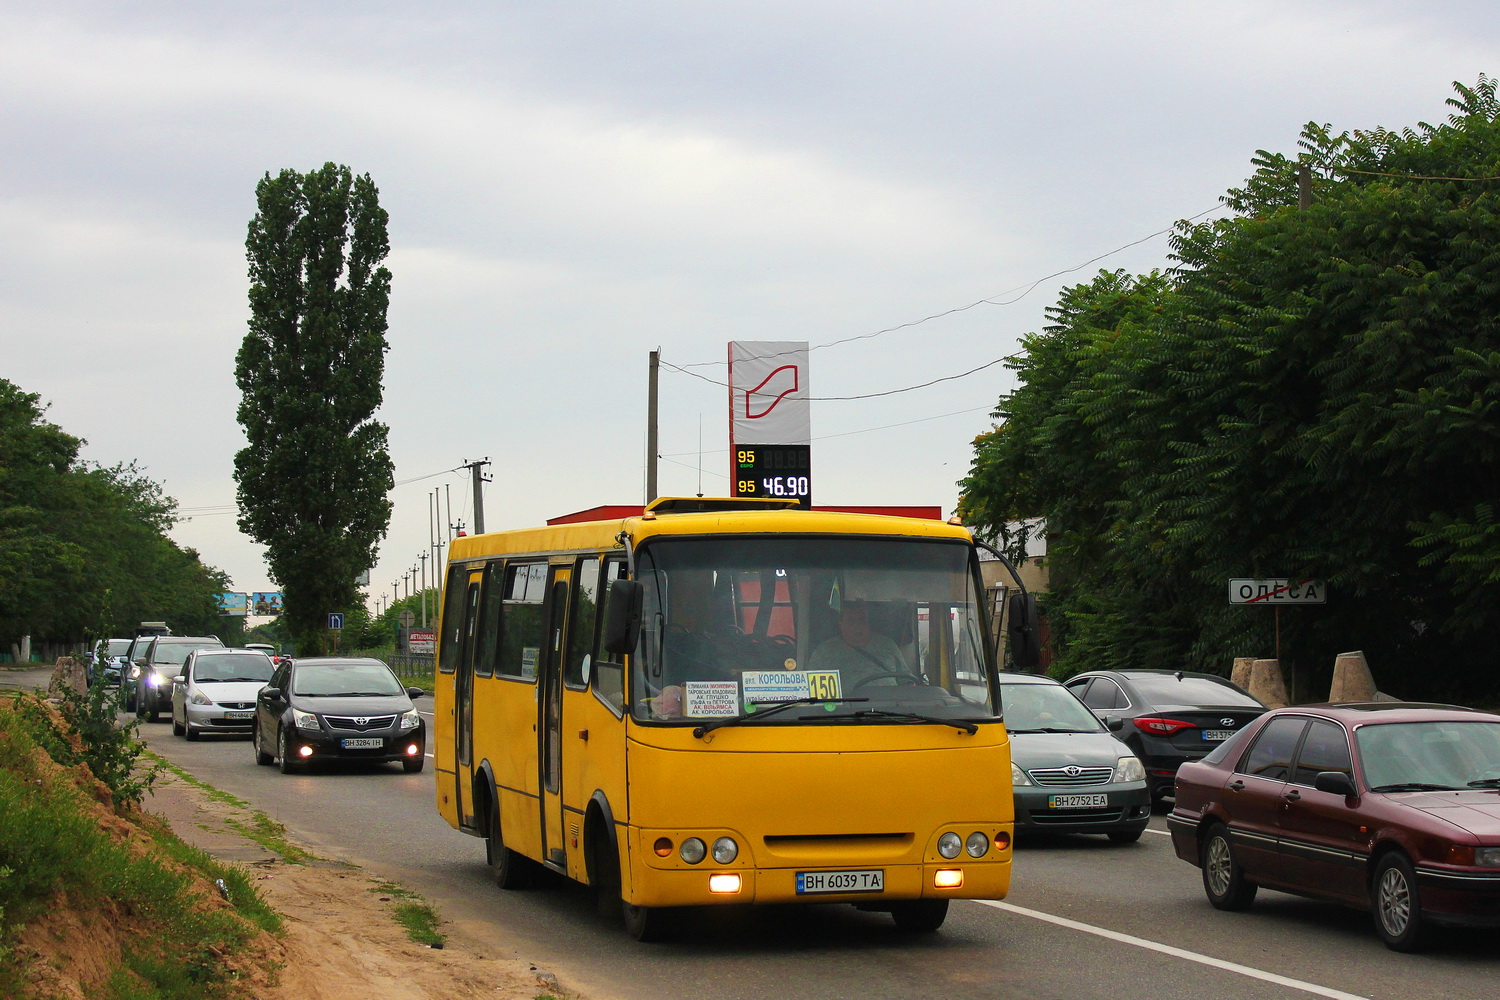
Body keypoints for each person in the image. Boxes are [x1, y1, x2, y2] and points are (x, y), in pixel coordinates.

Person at [807, 601, 914, 690]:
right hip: (843, 713)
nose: (857, 627)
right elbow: (815, 694)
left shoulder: (888, 645)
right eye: (851, 621)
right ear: (840, 623)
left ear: (868, 622)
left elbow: (907, 683)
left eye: (862, 620)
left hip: (893, 712)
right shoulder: (824, 652)